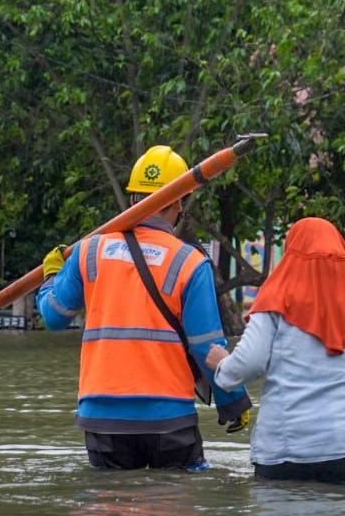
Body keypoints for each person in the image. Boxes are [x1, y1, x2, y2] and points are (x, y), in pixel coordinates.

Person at [36, 145, 252, 471]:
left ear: (134, 196)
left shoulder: (89, 252)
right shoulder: (190, 262)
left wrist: (51, 276)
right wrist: (233, 401)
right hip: (169, 418)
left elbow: (52, 316)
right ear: (180, 201)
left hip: (102, 418)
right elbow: (208, 349)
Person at [207, 217, 345, 484]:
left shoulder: (273, 302)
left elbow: (248, 365)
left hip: (284, 449)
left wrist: (222, 367)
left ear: (291, 254)